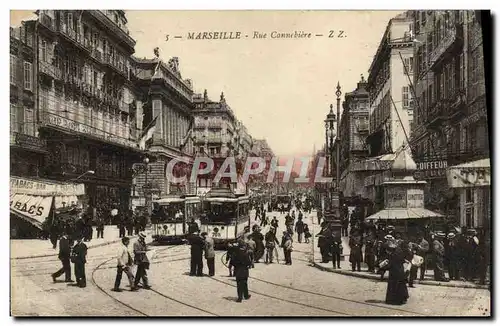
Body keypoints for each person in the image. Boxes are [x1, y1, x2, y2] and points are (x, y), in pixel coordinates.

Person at [232, 237, 252, 302]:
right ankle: (246, 295)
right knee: (245, 283)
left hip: (238, 270)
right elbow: (249, 262)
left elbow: (232, 262)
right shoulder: (245, 253)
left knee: (239, 284)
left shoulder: (235, 253)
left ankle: (240, 297)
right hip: (244, 271)